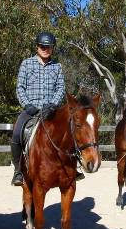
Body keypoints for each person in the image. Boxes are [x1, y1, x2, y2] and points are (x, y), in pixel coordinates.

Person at [10, 31, 79, 186]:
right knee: (16, 133)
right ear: (37, 46)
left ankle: (75, 166)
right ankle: (18, 170)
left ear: (53, 48)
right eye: (42, 46)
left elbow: (60, 88)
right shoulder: (26, 64)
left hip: (52, 110)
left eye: (48, 47)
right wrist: (27, 105)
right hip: (30, 109)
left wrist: (54, 104)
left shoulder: (57, 66)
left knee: (72, 130)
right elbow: (20, 87)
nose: (45, 49)